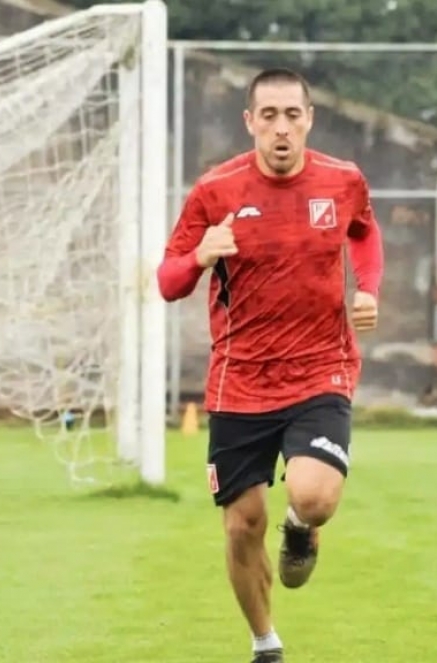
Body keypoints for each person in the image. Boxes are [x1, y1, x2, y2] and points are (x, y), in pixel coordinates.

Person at [156, 67, 384, 663]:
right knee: (241, 526)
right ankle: (266, 645)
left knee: (313, 497)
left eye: (292, 115)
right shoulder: (216, 191)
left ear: (309, 119)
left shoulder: (342, 180)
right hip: (240, 382)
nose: (281, 128)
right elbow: (167, 279)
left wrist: (368, 289)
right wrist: (200, 256)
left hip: (320, 370)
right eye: (269, 116)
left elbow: (364, 233)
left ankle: (302, 530)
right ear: (250, 122)